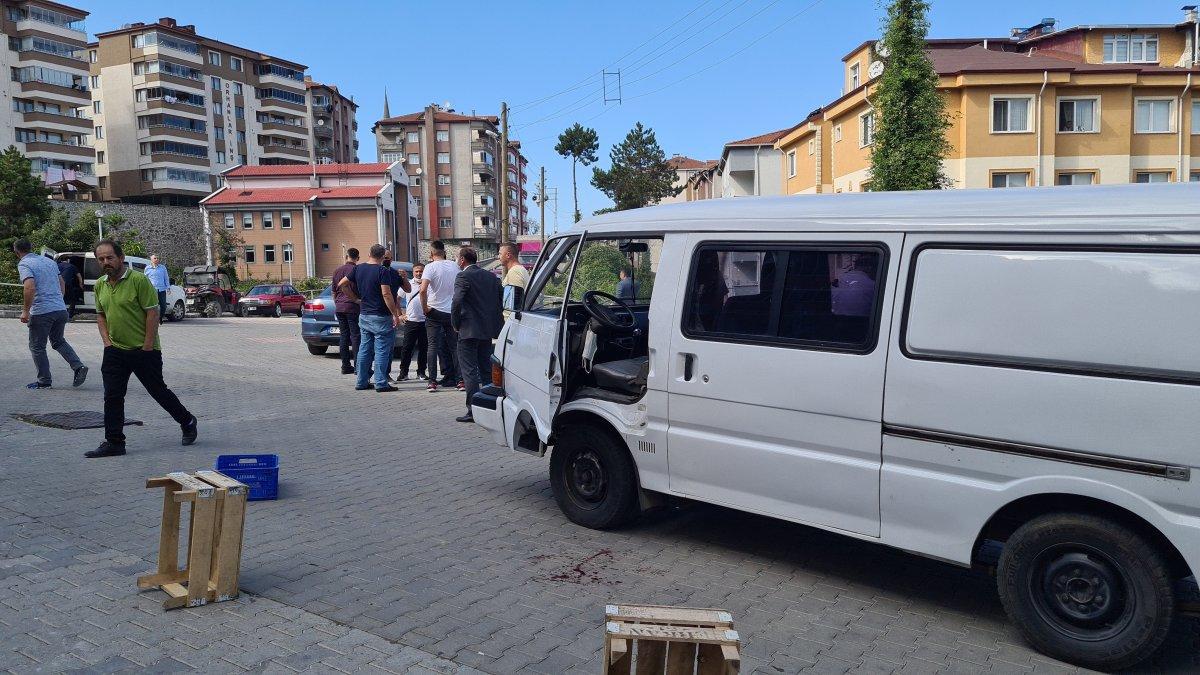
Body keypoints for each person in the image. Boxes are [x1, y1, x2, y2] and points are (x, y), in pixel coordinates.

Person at [88, 239, 196, 458]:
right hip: (114, 351)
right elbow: (100, 315)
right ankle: (114, 442)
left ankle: (187, 420)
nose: (106, 262)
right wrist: (107, 343)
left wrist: (146, 347)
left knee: (158, 392)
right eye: (101, 259)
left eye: (110, 257)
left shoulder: (139, 280)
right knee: (113, 396)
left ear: (120, 257)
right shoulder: (100, 284)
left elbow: (152, 313)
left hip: (144, 350)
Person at [16, 239, 87, 390]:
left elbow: (29, 287)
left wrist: (25, 311)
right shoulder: (49, 262)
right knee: (58, 341)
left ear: (17, 253)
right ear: (31, 248)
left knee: (37, 346)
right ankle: (78, 366)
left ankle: (44, 381)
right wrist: (57, 301)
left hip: (42, 311)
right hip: (60, 309)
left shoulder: (24, 264)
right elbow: (62, 283)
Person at [338, 244, 408, 392]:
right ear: (383, 256)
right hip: (381, 316)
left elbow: (342, 284)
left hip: (364, 315)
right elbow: (386, 294)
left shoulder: (358, 268)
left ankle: (361, 381)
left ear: (369, 253)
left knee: (364, 349)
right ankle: (381, 383)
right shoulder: (382, 271)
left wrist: (355, 299)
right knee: (382, 349)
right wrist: (395, 315)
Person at [451, 247, 503, 423]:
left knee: (469, 371)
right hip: (486, 330)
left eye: (457, 258)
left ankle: (473, 410)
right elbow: (501, 299)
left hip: (467, 330)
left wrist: (455, 323)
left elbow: (457, 300)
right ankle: (489, 407)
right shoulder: (491, 277)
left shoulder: (463, 276)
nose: (457, 261)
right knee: (487, 370)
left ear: (463, 260)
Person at [420, 241, 461, 393]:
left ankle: (432, 382)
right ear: (444, 252)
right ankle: (460, 380)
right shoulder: (455, 266)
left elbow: (422, 290)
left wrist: (425, 308)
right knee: (455, 346)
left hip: (434, 311)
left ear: (431, 254)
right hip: (451, 311)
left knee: (432, 346)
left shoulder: (430, 267)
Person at [330, 248, 362, 375]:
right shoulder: (357, 270)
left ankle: (345, 365)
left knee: (343, 336)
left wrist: (337, 303)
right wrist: (356, 300)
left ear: (346, 256)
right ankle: (357, 366)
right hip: (352, 306)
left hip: (340, 307)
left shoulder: (337, 270)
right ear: (357, 258)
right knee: (355, 336)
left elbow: (333, 291)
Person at [394, 262, 427, 381]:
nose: (419, 273)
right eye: (416, 271)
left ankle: (421, 372)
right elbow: (396, 299)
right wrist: (400, 315)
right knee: (407, 348)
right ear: (413, 272)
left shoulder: (428, 283)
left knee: (424, 348)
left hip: (425, 321)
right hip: (411, 321)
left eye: (421, 271)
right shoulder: (408, 284)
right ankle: (403, 373)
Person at [498, 242, 529, 320]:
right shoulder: (520, 269)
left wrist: (506, 323)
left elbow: (514, 304)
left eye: (500, 254)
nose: (499, 257)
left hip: (511, 323)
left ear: (508, 255)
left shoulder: (515, 272)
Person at [146, 254, 171, 323]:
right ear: (151, 260)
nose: (157, 259)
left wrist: (168, 288)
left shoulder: (162, 268)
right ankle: (154, 319)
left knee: (163, 306)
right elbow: (145, 279)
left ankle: (160, 317)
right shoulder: (147, 268)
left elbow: (166, 278)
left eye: (158, 258)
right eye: (155, 258)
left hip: (161, 290)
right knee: (154, 306)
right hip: (152, 290)